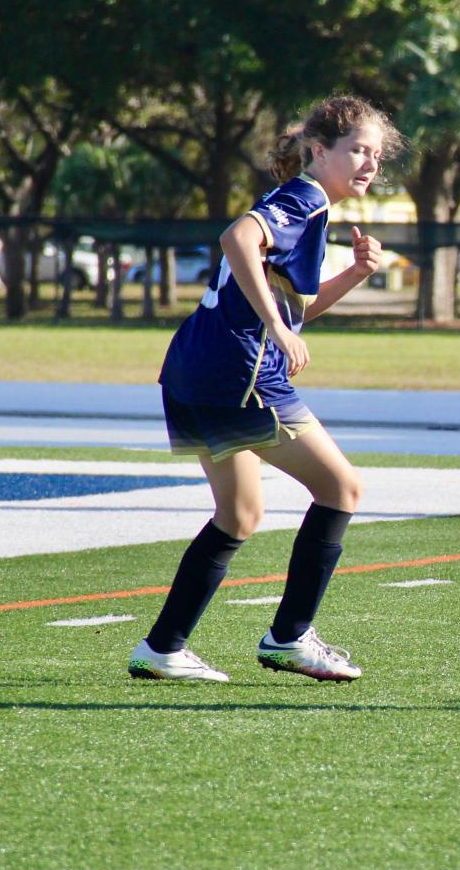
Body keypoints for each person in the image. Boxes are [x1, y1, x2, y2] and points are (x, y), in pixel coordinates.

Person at [128, 95, 401, 683]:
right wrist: (275, 328)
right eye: (358, 150)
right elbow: (236, 239)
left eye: (376, 155)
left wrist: (352, 275)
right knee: (342, 487)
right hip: (237, 373)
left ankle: (163, 647)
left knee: (240, 513)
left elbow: (291, 306)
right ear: (318, 150)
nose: (369, 164)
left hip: (193, 368)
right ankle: (290, 637)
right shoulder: (303, 197)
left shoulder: (307, 206)